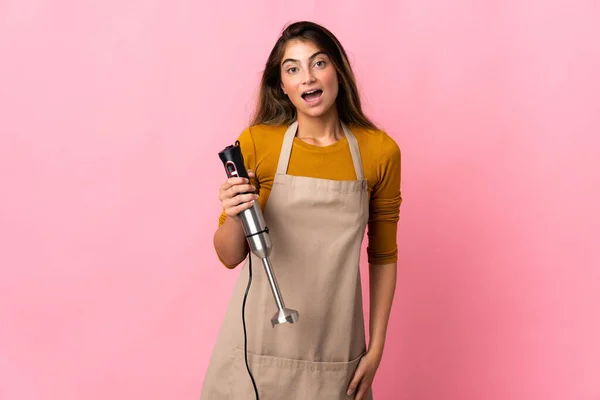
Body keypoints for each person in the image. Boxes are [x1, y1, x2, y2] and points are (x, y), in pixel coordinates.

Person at [200, 21, 401, 400]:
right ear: (282, 86)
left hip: (336, 349)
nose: (307, 77)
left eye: (318, 63)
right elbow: (230, 257)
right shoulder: (258, 143)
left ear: (338, 69)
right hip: (255, 352)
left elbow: (383, 255)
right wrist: (232, 209)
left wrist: (376, 350)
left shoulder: (379, 152)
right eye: (292, 68)